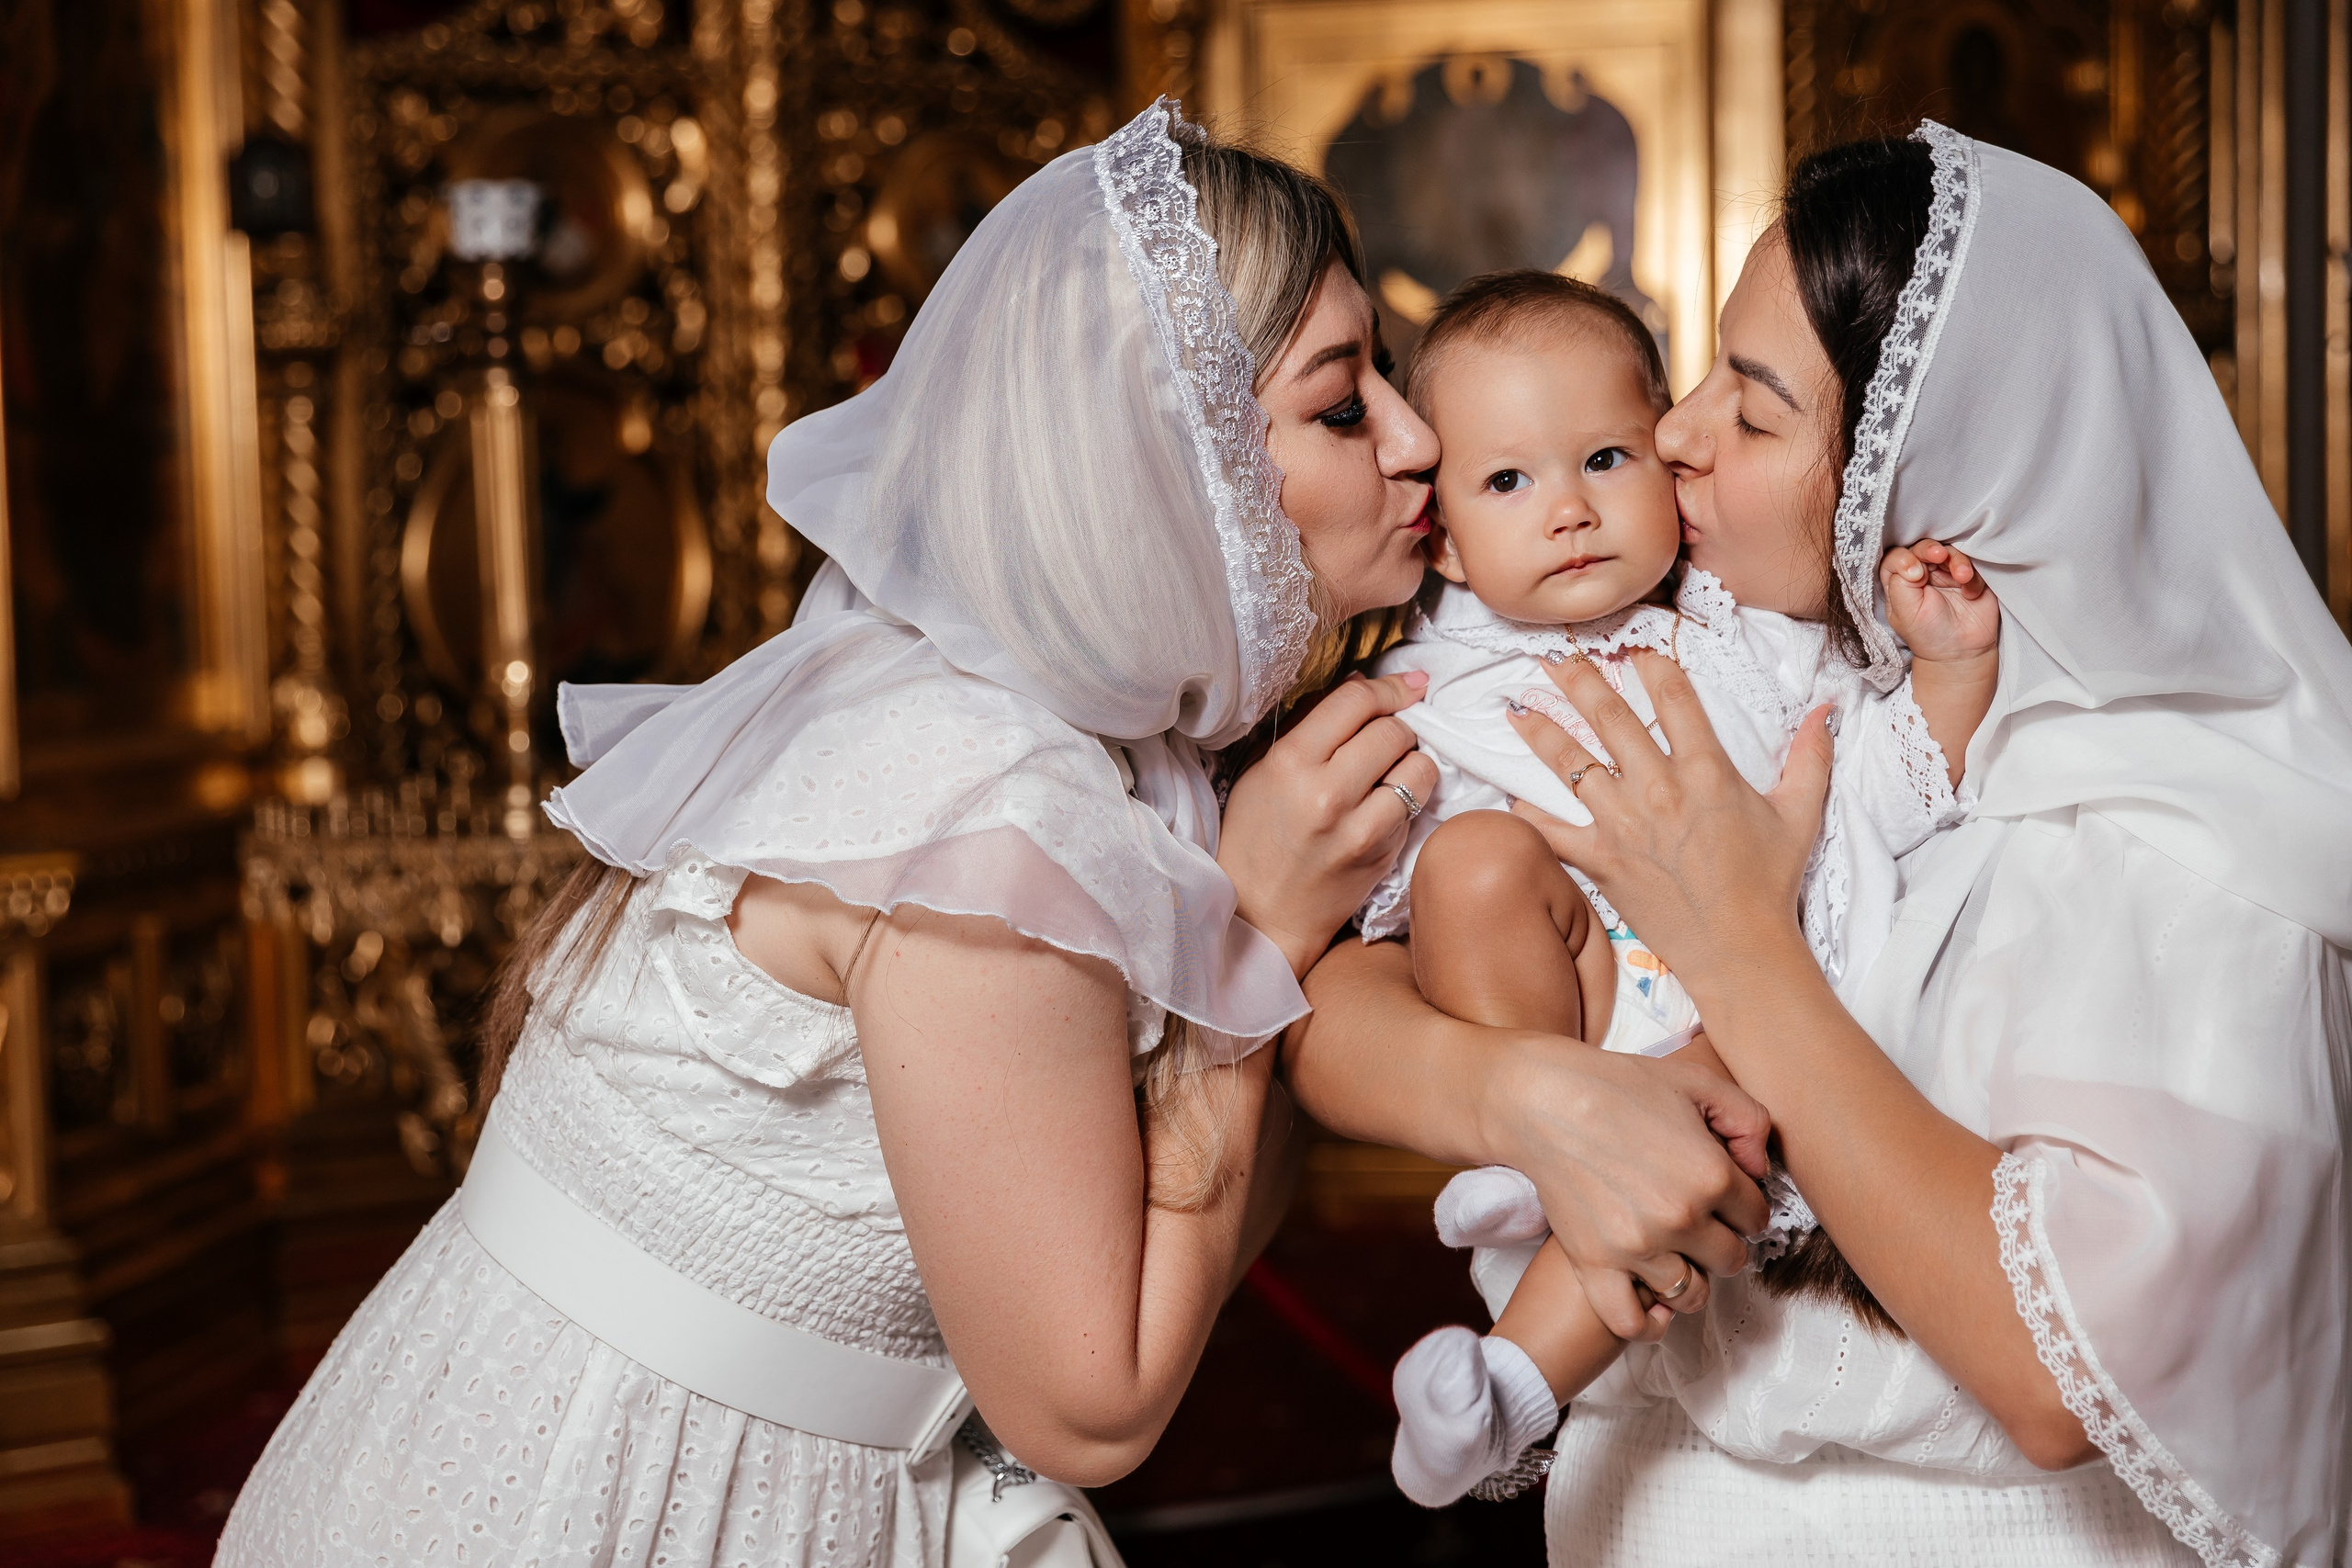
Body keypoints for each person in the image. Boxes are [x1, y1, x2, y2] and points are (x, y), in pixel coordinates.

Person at [215, 99, 1473, 1568]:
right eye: (1341, 403)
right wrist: (1249, 937)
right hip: (600, 1495)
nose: (1419, 437)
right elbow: (1096, 1406)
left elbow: (1184, 1216)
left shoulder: (1037, 717)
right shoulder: (984, 809)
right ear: (1160, 468)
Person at [1292, 123, 2352, 1563]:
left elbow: (2060, 1381)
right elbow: (1335, 1000)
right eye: (1708, 370)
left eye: (1756, 402)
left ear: (1926, 465)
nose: (1673, 433)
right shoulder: (1743, 665)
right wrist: (1527, 1098)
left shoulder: (2180, 823)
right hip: (1633, 1507)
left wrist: (1729, 931)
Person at [1355, 268, 2000, 1508]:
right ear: (1439, 524)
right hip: (1580, 1017)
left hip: (1751, 1021)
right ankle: (1546, 1141)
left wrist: (1949, 667)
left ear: (1666, 459)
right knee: (1470, 863)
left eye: (1605, 456)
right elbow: (1386, 914)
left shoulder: (1747, 628)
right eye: (1507, 481)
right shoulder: (1436, 675)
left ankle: (1507, 1395)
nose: (1568, 512)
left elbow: (1887, 781)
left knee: (1699, 1105)